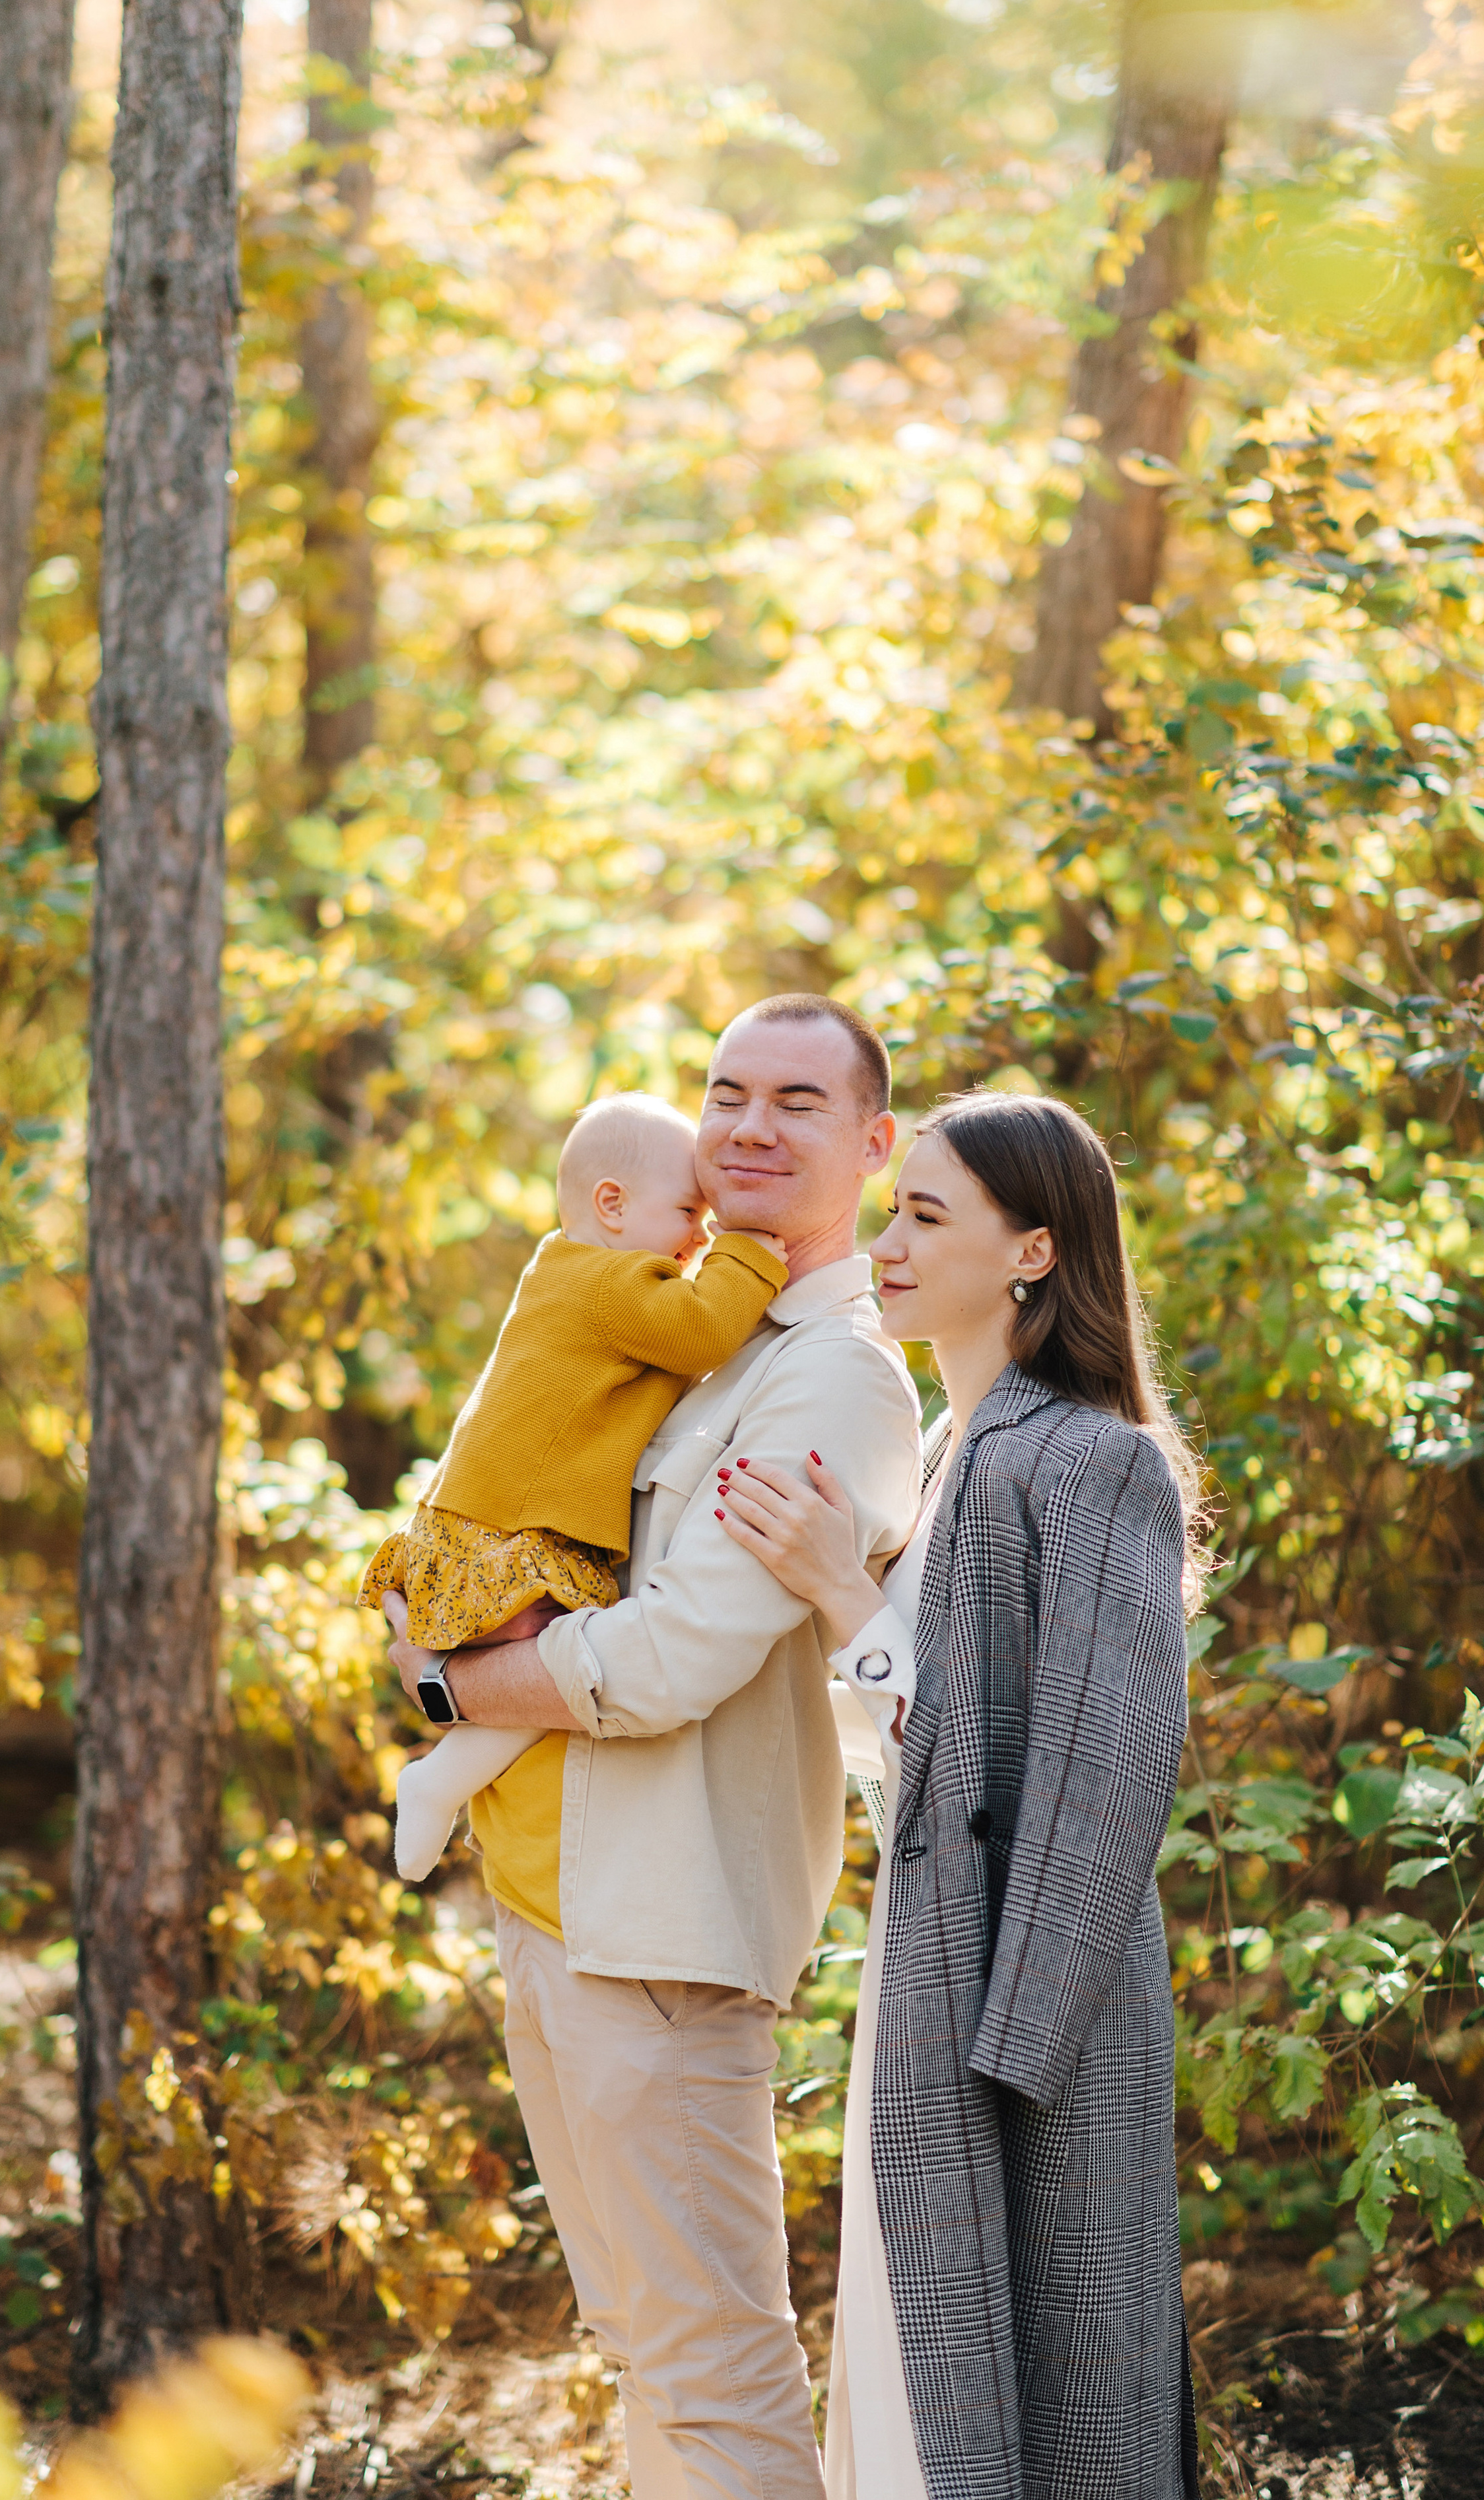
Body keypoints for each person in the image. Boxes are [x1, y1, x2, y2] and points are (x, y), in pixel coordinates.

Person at [380, 994, 922, 2500]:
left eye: (794, 1101)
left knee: (713, 2359)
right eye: (724, 1088)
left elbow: (672, 1655)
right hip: (559, 1896)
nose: (747, 1123)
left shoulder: (831, 1373)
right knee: (640, 2341)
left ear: (871, 1145)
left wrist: (449, 1687)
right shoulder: (691, 1331)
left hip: (663, 1931)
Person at [716, 1089, 1203, 2500]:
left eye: (928, 1214)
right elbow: (921, 1739)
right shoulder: (946, 1459)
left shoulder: (1089, 1460)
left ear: (1034, 1250)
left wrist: (837, 1590)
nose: (889, 1239)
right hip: (932, 1969)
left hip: (1030, 2002)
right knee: (913, 2368)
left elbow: (1105, 1763)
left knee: (1051, 2402)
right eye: (894, 1209)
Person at [357, 1092, 789, 1877]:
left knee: (550, 1667)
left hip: (494, 1520)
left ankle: (439, 1780)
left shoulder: (570, 1268)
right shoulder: (605, 1283)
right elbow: (703, 1328)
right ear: (612, 1205)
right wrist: (752, 1245)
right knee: (551, 1661)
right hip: (509, 1534)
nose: (701, 1234)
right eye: (691, 1211)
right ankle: (435, 1781)